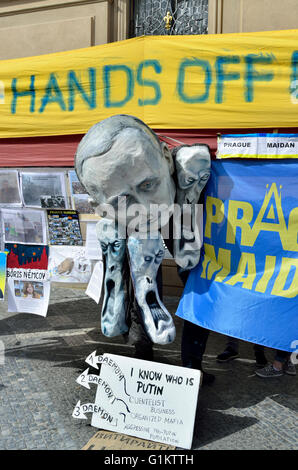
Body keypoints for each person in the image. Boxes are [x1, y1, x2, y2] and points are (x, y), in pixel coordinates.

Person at [75, 114, 213, 383]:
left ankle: (191, 362)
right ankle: (142, 351)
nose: (146, 205)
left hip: (184, 208)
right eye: (122, 200)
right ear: (99, 206)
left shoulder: (188, 172)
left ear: (165, 155)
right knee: (140, 264)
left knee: (197, 281)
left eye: (148, 185)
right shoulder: (119, 218)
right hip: (136, 230)